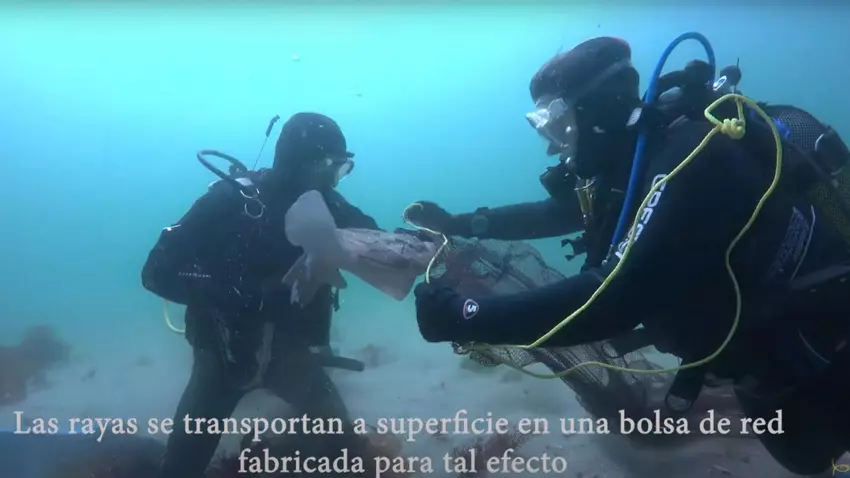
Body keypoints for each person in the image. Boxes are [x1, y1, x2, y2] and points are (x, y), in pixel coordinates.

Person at [412, 36, 850, 474]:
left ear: (598, 110)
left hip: (826, 343)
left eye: (559, 126)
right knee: (808, 458)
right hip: (765, 361)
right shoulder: (632, 169)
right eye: (545, 130)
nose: (553, 146)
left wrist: (466, 316)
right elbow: (554, 214)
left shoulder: (689, 160)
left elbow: (614, 297)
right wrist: (460, 223)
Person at [142, 112, 378, 478]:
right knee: (181, 468)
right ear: (300, 162)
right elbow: (157, 271)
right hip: (222, 360)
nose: (335, 180)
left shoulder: (330, 207)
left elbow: (374, 240)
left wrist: (416, 244)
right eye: (331, 167)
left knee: (348, 455)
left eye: (342, 169)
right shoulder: (231, 200)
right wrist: (242, 294)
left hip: (293, 360)